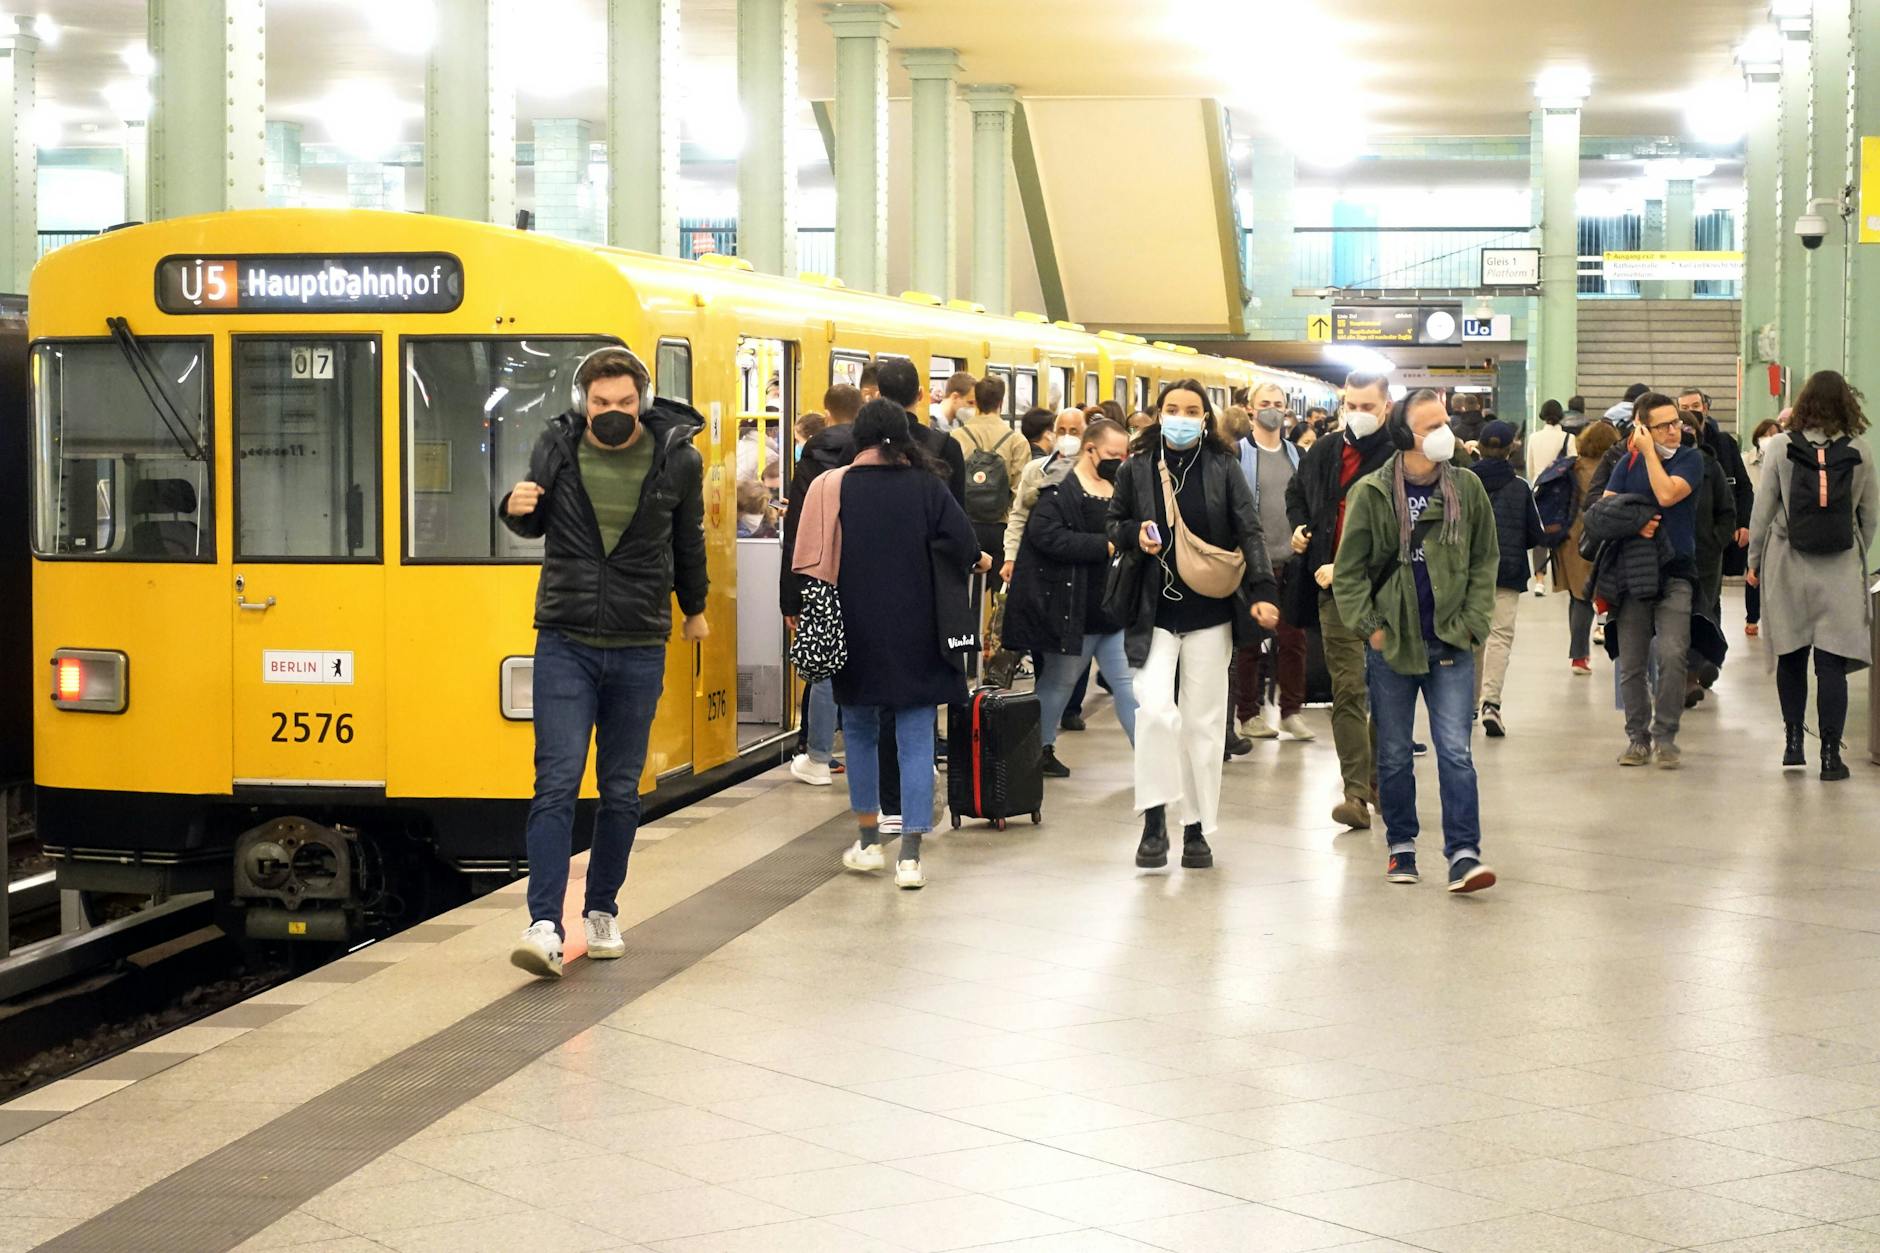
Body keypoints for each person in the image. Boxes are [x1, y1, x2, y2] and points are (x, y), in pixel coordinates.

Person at [500, 347, 709, 978]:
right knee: (556, 782)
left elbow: (688, 537)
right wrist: (512, 507)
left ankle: (601, 910)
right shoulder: (556, 448)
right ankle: (543, 925)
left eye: (622, 403)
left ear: (641, 403)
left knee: (621, 791)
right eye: (599, 403)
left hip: (640, 642)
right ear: (580, 404)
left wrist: (693, 608)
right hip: (565, 638)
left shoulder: (678, 456)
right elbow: (530, 524)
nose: (610, 412)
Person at [797, 398, 985, 888]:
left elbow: (809, 564)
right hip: (920, 632)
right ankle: (911, 858)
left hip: (853, 631)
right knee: (915, 739)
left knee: (858, 733)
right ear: (904, 437)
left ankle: (867, 843)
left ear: (858, 438)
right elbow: (964, 546)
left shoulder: (833, 488)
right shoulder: (928, 486)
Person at [1108, 380, 1280, 871]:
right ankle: (1155, 819)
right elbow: (1112, 523)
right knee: (1155, 712)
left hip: (1210, 615)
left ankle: (1197, 828)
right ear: (1159, 415)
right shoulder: (1136, 467)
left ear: (1205, 418)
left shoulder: (1223, 468)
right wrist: (1130, 533)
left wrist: (1265, 591)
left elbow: (1249, 529)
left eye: (1191, 410)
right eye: (1171, 409)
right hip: (1153, 614)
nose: (1181, 417)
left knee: (1204, 724)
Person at [1333, 391, 1498, 893]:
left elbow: (1485, 560)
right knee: (1395, 755)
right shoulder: (1372, 493)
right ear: (1405, 436)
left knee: (1455, 752)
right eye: (1431, 426)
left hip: (1451, 641)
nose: (1445, 432)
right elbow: (1350, 572)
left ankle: (1464, 854)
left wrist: (1473, 623)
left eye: (1445, 422)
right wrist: (1371, 628)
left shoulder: (1466, 489)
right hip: (1393, 646)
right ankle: (1401, 845)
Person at [1747, 370, 1877, 782]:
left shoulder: (1781, 447)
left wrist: (1753, 559)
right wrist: (1857, 551)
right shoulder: (1860, 449)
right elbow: (1870, 515)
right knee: (1831, 663)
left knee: (1792, 653)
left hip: (1787, 559)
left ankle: (1792, 744)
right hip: (1838, 565)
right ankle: (1830, 757)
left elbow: (1763, 509)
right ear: (1847, 403)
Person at [1285, 370, 1397, 829]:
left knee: (1388, 692)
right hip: (1331, 589)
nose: (1359, 414)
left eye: (1368, 406)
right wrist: (1299, 527)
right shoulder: (1325, 451)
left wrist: (1354, 565)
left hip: (1387, 592)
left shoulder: (1399, 456)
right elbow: (1298, 494)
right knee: (1348, 688)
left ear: (1386, 407)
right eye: (1352, 405)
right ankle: (1354, 793)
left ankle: (1374, 778)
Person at [1005, 419, 1138, 776]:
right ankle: (1037, 750)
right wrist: (1103, 545)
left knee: (1128, 685)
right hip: (1071, 607)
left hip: (1110, 609)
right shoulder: (1058, 487)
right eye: (1112, 454)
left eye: (1122, 454)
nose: (1118, 461)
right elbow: (1043, 535)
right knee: (1057, 683)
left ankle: (1150, 757)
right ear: (1090, 449)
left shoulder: (1119, 486)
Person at [1598, 393, 1705, 769]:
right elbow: (1605, 511)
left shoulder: (1692, 459)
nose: (1675, 430)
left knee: (1674, 654)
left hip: (1676, 571)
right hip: (1632, 573)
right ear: (1644, 427)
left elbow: (1667, 493)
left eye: (1677, 422)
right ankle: (1637, 738)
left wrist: (1648, 454)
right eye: (1664, 425)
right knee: (1631, 662)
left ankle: (1665, 736)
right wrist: (1636, 522)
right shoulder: (1625, 463)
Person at [782, 383, 864, 788]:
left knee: (824, 667)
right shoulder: (874, 454)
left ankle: (817, 756)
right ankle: (862, 748)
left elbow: (798, 530)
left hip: (820, 577)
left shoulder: (810, 458)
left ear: (826, 413)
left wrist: (789, 596)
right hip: (864, 574)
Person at [1236, 383, 1312, 742]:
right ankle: (1248, 712)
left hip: (1291, 560)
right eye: (1264, 403)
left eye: (1278, 404)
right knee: (1249, 642)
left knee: (1293, 639)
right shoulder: (1237, 454)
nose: (1271, 409)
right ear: (1250, 410)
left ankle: (1291, 711)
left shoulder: (1297, 455)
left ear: (1287, 411)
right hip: (1252, 564)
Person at [1467, 421, 1546, 737]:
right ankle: (1491, 704)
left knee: (1473, 637)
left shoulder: (1464, 483)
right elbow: (1534, 535)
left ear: (1480, 447)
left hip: (1470, 572)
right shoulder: (1520, 486)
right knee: (1500, 637)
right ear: (1512, 448)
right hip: (1508, 569)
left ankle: (1468, 704)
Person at [1552, 420, 1621, 675]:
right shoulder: (1614, 469)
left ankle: (1579, 658)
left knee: (1579, 598)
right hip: (1606, 535)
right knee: (1612, 593)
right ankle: (1620, 650)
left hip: (1572, 539)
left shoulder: (1573, 466)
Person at [952, 373, 1032, 593]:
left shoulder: (956, 437)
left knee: (969, 596)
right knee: (1001, 598)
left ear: (975, 401)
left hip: (967, 526)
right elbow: (1020, 493)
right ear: (1001, 402)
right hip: (1002, 529)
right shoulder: (1016, 441)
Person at [1682, 406, 1738, 708]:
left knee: (1704, 611)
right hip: (1671, 554)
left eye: (1687, 428)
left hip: (1706, 555)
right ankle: (1686, 672)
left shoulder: (1710, 467)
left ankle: (1694, 673)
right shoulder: (1659, 466)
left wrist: (1717, 541)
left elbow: (1727, 511)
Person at [1002, 407, 1087, 585]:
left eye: (1074, 431)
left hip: (1078, 558)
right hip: (1036, 560)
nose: (1067, 437)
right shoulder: (1034, 470)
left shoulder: (1091, 473)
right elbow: (1019, 515)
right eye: (1061, 431)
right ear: (1053, 435)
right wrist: (1011, 556)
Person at [876, 357, 966, 505]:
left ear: (879, 397)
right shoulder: (948, 447)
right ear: (920, 395)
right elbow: (959, 512)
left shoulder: (861, 446)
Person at [1742, 418, 1784, 638]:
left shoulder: (1784, 462)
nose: (1769, 438)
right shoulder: (1746, 461)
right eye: (1766, 433)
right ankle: (1752, 617)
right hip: (1753, 521)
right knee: (1752, 571)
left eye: (1775, 433)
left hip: (1777, 525)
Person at [1526, 400, 1576, 479]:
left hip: (1539, 486)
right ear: (1561, 415)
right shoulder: (1569, 438)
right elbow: (1573, 466)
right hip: (1560, 487)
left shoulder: (1533, 438)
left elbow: (1530, 471)